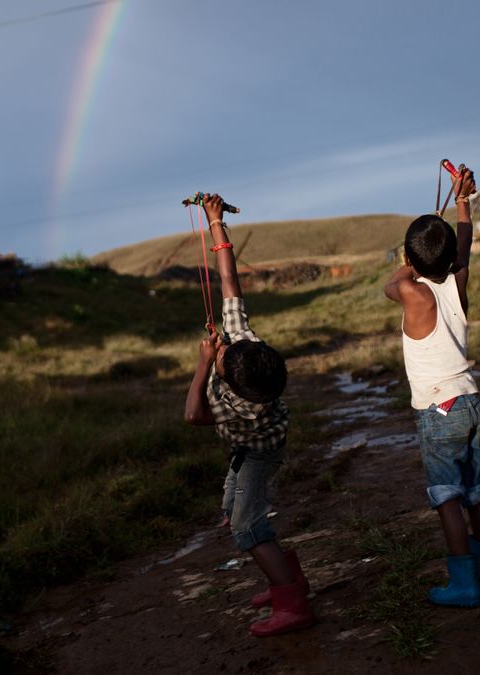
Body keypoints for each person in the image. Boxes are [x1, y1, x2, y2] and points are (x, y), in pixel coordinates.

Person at [183, 193, 315, 637]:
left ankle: (291, 599)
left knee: (246, 526)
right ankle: (286, 574)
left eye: (220, 361)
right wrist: (216, 225)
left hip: (257, 454)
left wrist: (202, 365)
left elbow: (193, 416)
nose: (220, 348)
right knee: (232, 509)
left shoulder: (238, 406)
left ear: (233, 383)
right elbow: (230, 285)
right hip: (252, 448)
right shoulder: (245, 344)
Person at [383, 166, 480, 607]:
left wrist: (405, 265)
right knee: (475, 494)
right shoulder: (459, 281)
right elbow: (464, 242)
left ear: (411, 262)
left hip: (439, 412)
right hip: (470, 403)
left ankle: (465, 584)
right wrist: (463, 201)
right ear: (451, 259)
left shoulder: (415, 294)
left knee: (447, 498)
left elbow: (390, 286)